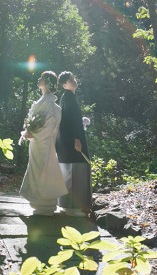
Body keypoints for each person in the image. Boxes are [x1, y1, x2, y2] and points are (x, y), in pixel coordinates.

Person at [19, 70, 67, 215]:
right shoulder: (44, 101)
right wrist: (30, 131)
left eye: (42, 78)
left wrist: (33, 133)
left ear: (46, 82)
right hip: (37, 142)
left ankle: (45, 203)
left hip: (44, 143)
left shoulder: (52, 106)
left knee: (44, 170)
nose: (38, 79)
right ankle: (38, 201)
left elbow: (49, 126)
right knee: (37, 170)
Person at [55, 71, 91, 217]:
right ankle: (73, 207)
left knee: (74, 169)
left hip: (68, 142)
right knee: (77, 168)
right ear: (65, 85)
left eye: (73, 78)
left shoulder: (68, 98)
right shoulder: (68, 98)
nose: (74, 80)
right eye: (71, 80)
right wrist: (76, 140)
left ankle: (72, 206)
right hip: (71, 142)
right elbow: (69, 122)